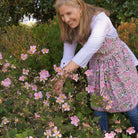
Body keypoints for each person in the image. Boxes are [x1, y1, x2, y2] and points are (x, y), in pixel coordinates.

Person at [54, 0, 138, 134]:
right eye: (62, 16)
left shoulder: (100, 20)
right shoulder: (71, 28)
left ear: (80, 7)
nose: (66, 19)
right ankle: (103, 134)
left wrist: (62, 75)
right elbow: (67, 57)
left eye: (69, 13)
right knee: (99, 108)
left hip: (118, 65)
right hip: (97, 67)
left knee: (130, 108)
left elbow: (89, 48)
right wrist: (60, 80)